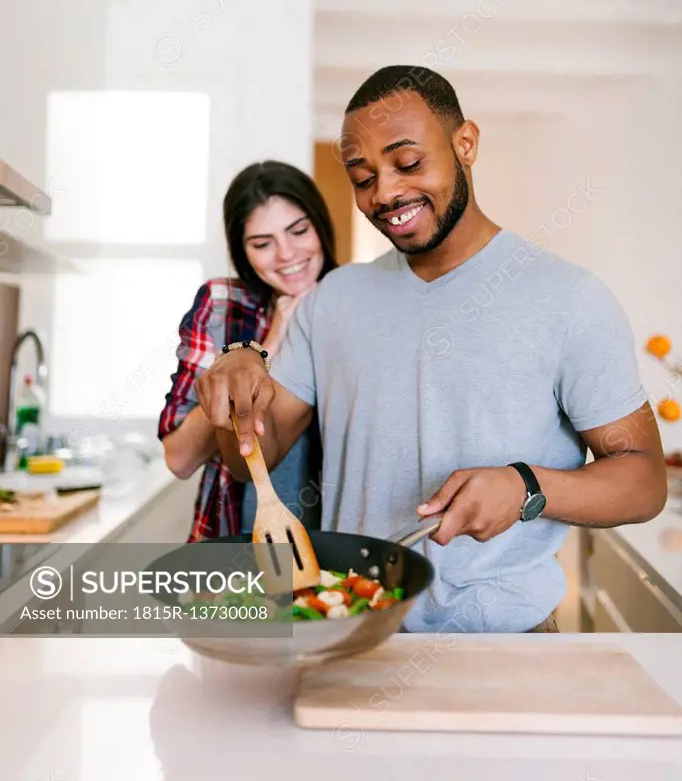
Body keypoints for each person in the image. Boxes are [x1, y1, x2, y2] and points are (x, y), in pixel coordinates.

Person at [190, 66, 668, 633]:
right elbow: (252, 463)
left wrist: (527, 488)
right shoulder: (333, 302)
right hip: (356, 628)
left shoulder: (570, 299)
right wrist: (239, 363)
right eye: (362, 176)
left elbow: (643, 481)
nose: (385, 192)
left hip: (507, 643)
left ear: (465, 143)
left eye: (408, 163)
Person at [158, 160, 337, 541]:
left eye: (299, 231)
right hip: (229, 535)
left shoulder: (351, 301)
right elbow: (179, 459)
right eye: (262, 243)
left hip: (332, 538)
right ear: (242, 251)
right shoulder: (223, 303)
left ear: (320, 225)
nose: (286, 254)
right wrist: (261, 349)